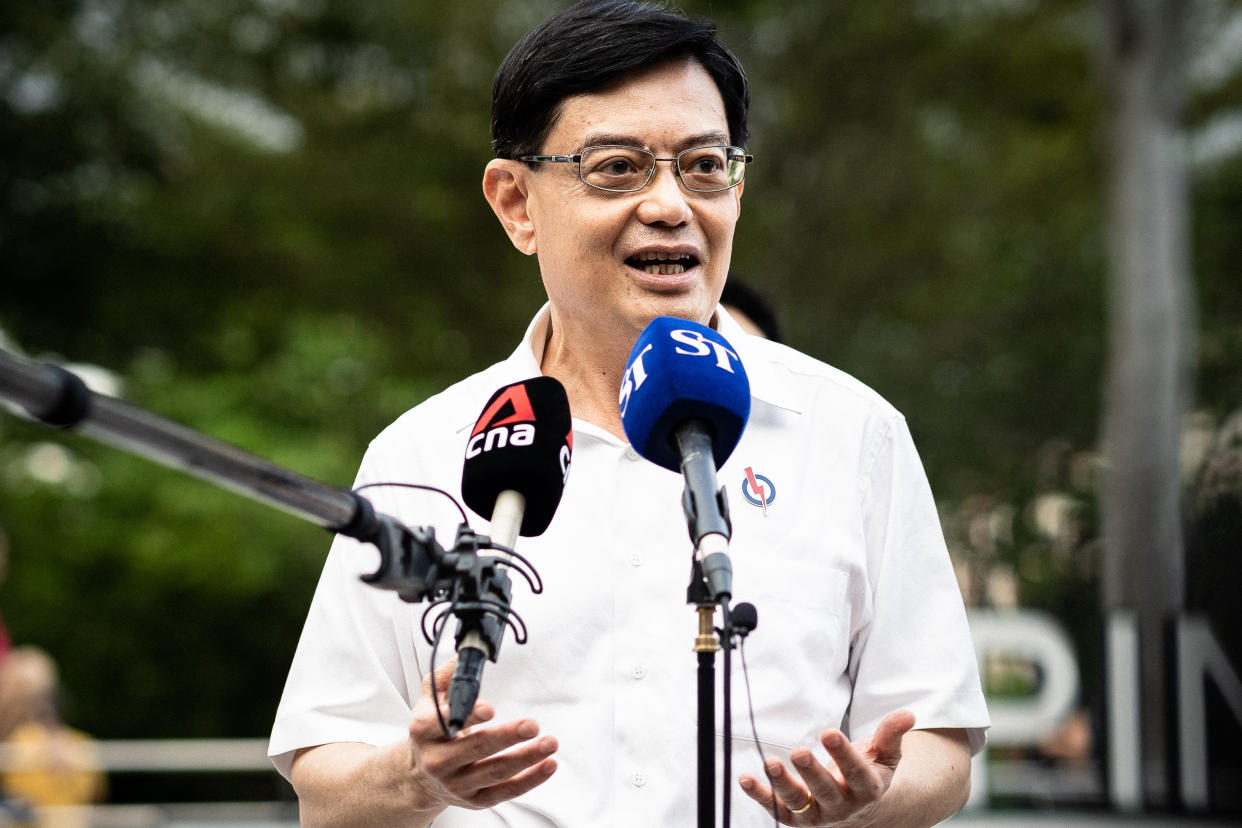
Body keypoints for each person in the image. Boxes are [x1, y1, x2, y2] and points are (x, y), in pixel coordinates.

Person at [269, 1, 989, 825]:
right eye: (618, 167)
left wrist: (860, 803)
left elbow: (938, 745)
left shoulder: (855, 431)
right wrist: (418, 777)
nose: (671, 205)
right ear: (516, 203)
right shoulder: (422, 454)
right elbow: (325, 788)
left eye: (704, 165)